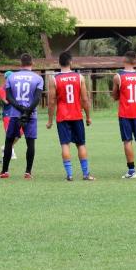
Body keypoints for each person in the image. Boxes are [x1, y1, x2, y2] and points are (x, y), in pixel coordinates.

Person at [46, 52, 94, 181]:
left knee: (65, 145)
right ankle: (86, 174)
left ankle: (70, 174)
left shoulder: (54, 79)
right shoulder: (79, 78)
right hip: (77, 116)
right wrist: (88, 117)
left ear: (59, 63)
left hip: (62, 117)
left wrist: (50, 120)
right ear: (71, 62)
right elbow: (84, 99)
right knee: (81, 144)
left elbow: (51, 102)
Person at [0, 54, 44, 179]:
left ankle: (4, 171)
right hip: (31, 115)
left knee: (8, 142)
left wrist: (19, 108)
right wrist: (28, 111)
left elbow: (8, 96)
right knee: (30, 143)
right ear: (32, 63)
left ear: (21, 63)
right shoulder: (38, 78)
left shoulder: (11, 77)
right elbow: (37, 98)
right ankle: (28, 172)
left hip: (14, 114)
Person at [111, 51, 136, 178]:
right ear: (135, 62)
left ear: (123, 60)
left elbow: (115, 96)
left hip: (125, 114)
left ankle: (132, 171)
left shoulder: (118, 77)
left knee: (127, 141)